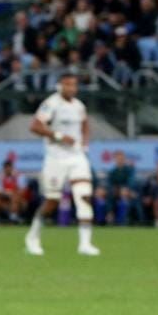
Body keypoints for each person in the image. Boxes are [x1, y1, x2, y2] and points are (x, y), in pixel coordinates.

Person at [24, 73, 100, 256]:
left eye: (74, 84)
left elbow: (85, 125)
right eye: (67, 84)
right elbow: (35, 126)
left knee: (84, 196)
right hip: (56, 158)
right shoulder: (51, 104)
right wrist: (59, 136)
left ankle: (85, 244)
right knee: (52, 201)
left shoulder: (79, 106)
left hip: (77, 158)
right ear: (59, 86)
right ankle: (33, 237)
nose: (71, 88)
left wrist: (84, 145)